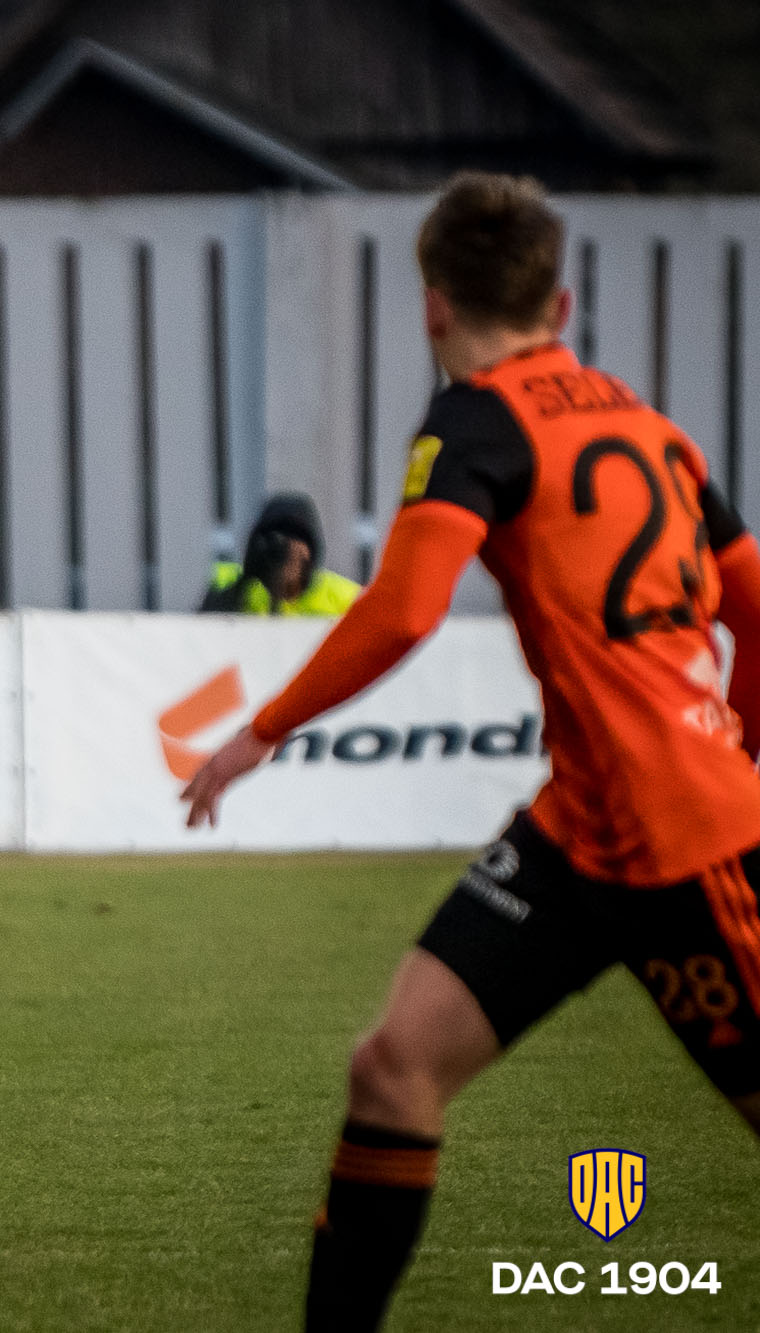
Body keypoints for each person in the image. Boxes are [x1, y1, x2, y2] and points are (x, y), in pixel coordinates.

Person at [181, 171, 760, 1331]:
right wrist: (734, 738)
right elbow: (751, 605)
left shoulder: (472, 417)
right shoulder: (648, 427)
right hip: (581, 832)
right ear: (559, 303)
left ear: (432, 305)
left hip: (685, 843)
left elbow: (402, 610)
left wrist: (258, 730)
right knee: (391, 1065)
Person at [200, 492, 361, 615]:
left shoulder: (347, 598)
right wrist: (245, 580)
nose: (278, 556)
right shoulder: (232, 583)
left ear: (307, 554)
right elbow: (204, 629)